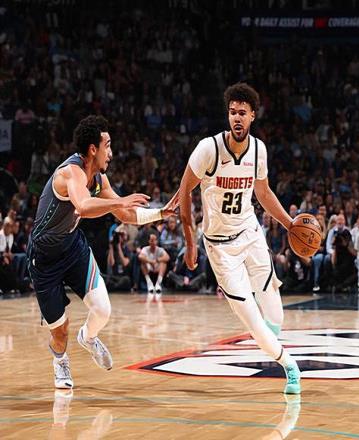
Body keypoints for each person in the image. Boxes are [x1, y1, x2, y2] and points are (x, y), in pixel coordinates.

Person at [27, 115, 178, 389]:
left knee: (103, 309)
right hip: (44, 258)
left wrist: (159, 213)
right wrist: (120, 201)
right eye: (107, 146)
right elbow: (83, 206)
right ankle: (60, 361)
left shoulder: (99, 178)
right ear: (93, 149)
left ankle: (88, 337)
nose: (111, 152)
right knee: (60, 331)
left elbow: (125, 214)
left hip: (72, 247)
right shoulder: (70, 172)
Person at [178, 83, 301, 394]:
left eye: (242, 113)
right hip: (220, 247)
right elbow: (184, 192)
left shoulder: (259, 150)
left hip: (250, 233)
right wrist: (190, 242)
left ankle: (269, 344)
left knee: (275, 313)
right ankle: (289, 366)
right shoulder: (208, 149)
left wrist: (289, 224)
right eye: (232, 112)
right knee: (252, 319)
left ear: (252, 116)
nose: (236, 117)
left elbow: (264, 192)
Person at [139, 233, 169, 298]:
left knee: (164, 263)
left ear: (157, 241)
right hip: (148, 267)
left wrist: (157, 260)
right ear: (149, 241)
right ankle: (149, 283)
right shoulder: (145, 249)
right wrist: (150, 261)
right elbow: (140, 257)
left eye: (155, 240)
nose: (153, 242)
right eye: (151, 240)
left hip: (157, 268)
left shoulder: (160, 249)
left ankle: (158, 284)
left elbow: (167, 257)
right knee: (142, 263)